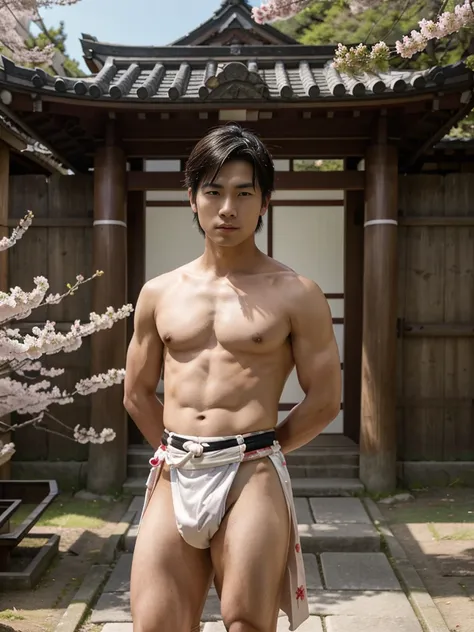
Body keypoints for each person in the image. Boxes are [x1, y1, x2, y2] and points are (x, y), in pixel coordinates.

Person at [123, 123, 342, 632]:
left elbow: (326, 398)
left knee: (246, 622)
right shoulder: (159, 293)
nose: (228, 208)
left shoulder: (296, 293)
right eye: (214, 191)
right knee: (155, 624)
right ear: (192, 198)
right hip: (176, 468)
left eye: (244, 193)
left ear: (264, 201)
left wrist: (262, 453)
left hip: (252, 471)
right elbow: (135, 392)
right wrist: (180, 453)